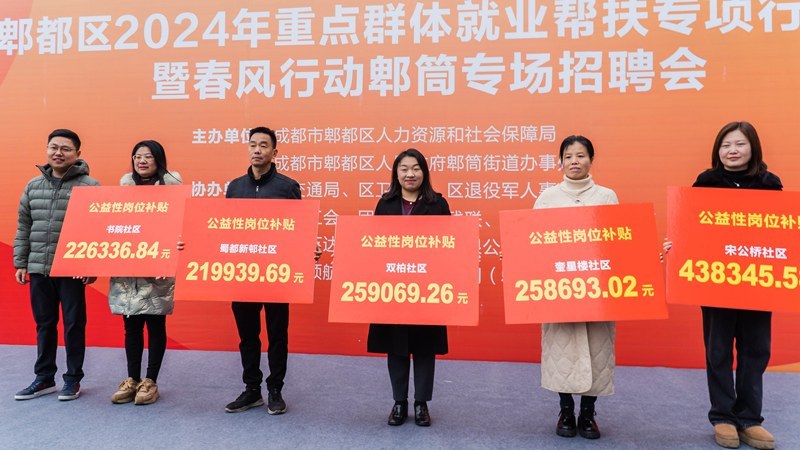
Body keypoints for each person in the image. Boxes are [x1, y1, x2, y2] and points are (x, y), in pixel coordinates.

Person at [663, 121, 780, 450]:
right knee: (718, 350)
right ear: (718, 150)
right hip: (715, 282)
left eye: (739, 144)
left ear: (753, 147)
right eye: (726, 145)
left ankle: (750, 419)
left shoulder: (770, 184)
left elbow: (780, 232)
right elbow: (689, 227)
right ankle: (723, 417)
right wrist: (676, 246)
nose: (732, 151)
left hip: (757, 282)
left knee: (756, 350)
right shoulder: (706, 182)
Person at [533, 135, 618, 440]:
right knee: (562, 352)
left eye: (581, 156)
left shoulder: (607, 196)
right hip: (559, 290)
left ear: (591, 160)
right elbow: (533, 241)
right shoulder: (548, 198)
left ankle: (589, 413)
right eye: (568, 156)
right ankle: (566, 410)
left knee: (597, 350)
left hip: (597, 291)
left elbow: (619, 241)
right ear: (561, 162)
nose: (574, 162)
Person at [13, 129, 100, 401]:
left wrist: (91, 266)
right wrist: (21, 262)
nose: (58, 153)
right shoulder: (33, 186)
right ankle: (44, 378)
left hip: (72, 268)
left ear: (77, 154)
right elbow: (24, 226)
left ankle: (73, 379)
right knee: (44, 324)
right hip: (39, 267)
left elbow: (98, 231)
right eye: (53, 147)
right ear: (47, 150)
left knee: (74, 324)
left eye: (65, 148)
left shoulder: (90, 187)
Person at [368, 148, 451, 427]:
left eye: (415, 168)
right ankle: (399, 402)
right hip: (393, 287)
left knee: (425, 347)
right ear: (396, 173)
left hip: (427, 288)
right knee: (396, 346)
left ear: (424, 172)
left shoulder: (438, 205)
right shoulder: (385, 204)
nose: (410, 174)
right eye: (404, 169)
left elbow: (451, 245)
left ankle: (421, 403)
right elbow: (373, 246)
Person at [223, 126, 301, 415]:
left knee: (277, 335)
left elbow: (298, 231)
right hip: (243, 274)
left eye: (264, 145)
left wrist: (307, 251)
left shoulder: (287, 187)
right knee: (248, 335)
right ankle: (252, 389)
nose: (257, 150)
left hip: (277, 275)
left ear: (274, 152)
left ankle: (275, 389)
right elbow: (225, 230)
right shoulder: (235, 188)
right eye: (253, 144)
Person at [108, 140, 182, 405]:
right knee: (131, 325)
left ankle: (150, 381)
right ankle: (132, 379)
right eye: (137, 156)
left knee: (155, 323)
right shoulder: (124, 189)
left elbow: (180, 227)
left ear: (158, 159)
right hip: (128, 268)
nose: (141, 161)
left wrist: (170, 256)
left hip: (158, 268)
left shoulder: (173, 190)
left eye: (148, 156)